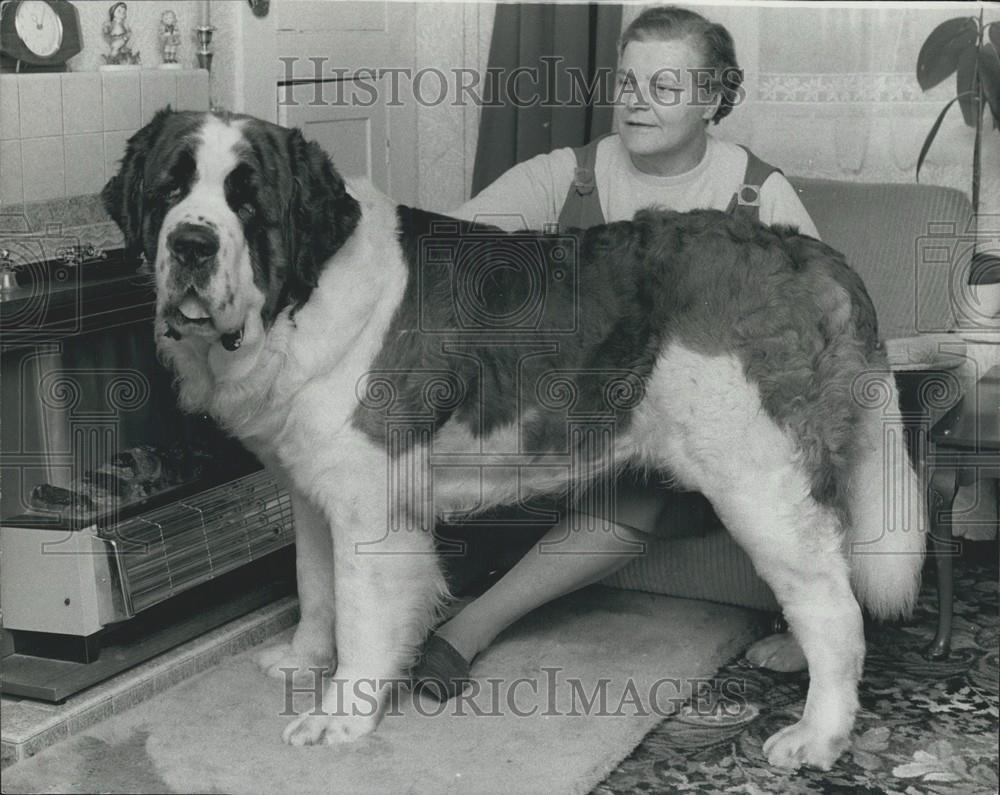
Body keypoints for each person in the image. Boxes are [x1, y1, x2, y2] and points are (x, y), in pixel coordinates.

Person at [412, 5, 816, 698]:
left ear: (714, 97)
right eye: (627, 84)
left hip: (692, 431)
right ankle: (398, 595)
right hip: (572, 415)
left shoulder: (758, 193)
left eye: (664, 88)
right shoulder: (568, 176)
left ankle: (466, 629)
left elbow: (807, 332)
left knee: (648, 469)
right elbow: (450, 250)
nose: (635, 103)